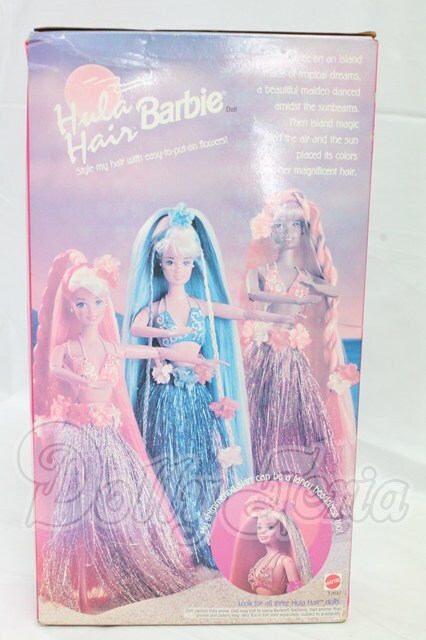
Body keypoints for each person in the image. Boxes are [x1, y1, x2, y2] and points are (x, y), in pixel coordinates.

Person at [32, 250, 218, 614]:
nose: (91, 310)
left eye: (98, 302)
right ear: (71, 307)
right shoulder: (67, 347)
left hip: (108, 434)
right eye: (82, 304)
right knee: (80, 506)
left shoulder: (112, 348)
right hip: (80, 433)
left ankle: (119, 569)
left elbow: (150, 353)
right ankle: (83, 578)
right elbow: (53, 367)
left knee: (123, 501)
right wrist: (78, 378)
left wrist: (196, 357)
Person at [123, 203, 292, 567]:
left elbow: (237, 312)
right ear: (160, 264)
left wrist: (266, 315)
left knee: (203, 460)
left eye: (185, 262)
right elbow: (134, 327)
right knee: (170, 461)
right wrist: (165, 333)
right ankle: (174, 536)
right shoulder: (156, 309)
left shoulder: (200, 306)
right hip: (166, 396)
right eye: (171, 262)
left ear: (195, 264)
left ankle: (203, 530)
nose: (178, 269)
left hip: (196, 397)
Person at [242, 189, 358, 501]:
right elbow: (253, 293)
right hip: (266, 352)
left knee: (298, 413)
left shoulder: (304, 275)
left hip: (292, 356)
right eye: (280, 225)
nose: (289, 232)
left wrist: (313, 286)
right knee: (263, 414)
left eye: (296, 225)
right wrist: (293, 300)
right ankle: (264, 477)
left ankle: (294, 478)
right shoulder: (261, 272)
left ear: (304, 231)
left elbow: (333, 289)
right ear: (270, 230)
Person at [229, 492, 312, 595]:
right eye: (259, 527)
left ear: (282, 531)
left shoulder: (286, 561)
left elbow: (296, 592)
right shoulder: (259, 561)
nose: (262, 531)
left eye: (270, 527)